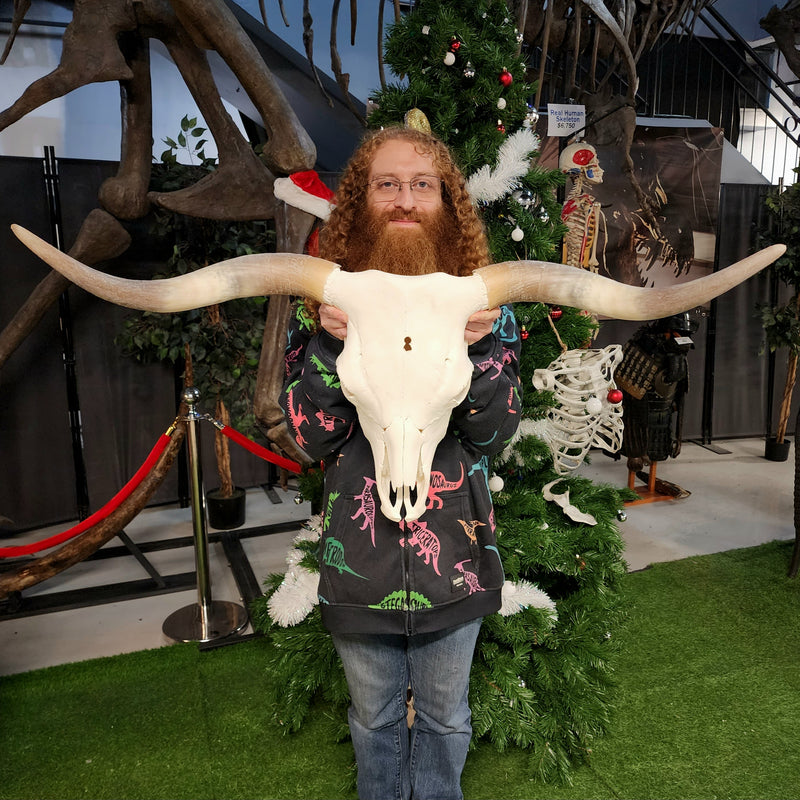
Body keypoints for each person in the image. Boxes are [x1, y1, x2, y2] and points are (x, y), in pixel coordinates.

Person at [280, 126, 522, 800]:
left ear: (448, 201)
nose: (405, 201)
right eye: (387, 184)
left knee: (446, 721)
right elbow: (310, 435)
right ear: (362, 199)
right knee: (374, 719)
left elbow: (496, 431)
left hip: (457, 564)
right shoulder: (326, 308)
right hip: (359, 567)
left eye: (423, 185)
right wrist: (331, 348)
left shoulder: (486, 310)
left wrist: (475, 351)